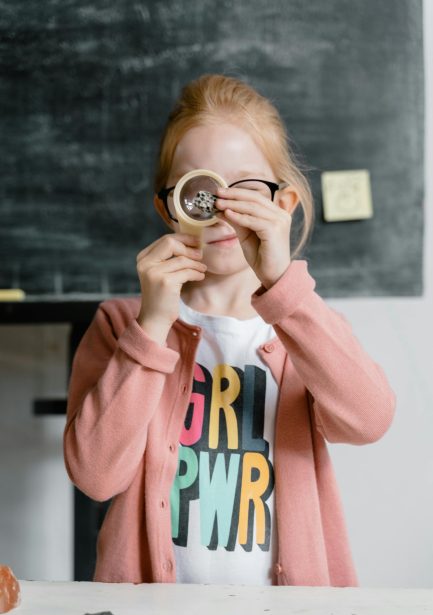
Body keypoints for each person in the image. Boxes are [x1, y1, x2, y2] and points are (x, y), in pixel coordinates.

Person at [63, 74, 396, 587]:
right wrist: (151, 326)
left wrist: (285, 288)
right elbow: (95, 476)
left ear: (281, 206)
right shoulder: (119, 326)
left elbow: (369, 420)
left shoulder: (303, 331)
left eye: (243, 188)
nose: (222, 207)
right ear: (169, 207)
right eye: (201, 188)